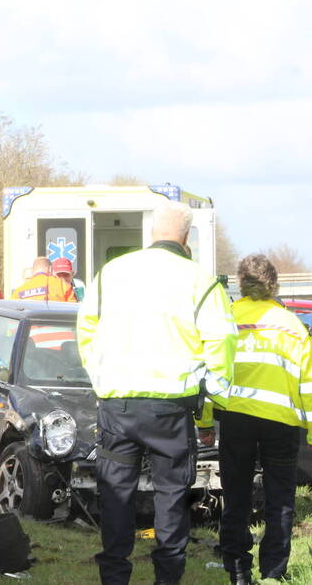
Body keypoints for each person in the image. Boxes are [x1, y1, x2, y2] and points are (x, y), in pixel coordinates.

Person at [76, 201, 236, 585]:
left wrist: (101, 377)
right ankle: (168, 576)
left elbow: (85, 329)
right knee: (171, 496)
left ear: (151, 234)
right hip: (170, 411)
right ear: (186, 238)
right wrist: (215, 392)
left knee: (116, 493)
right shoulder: (199, 280)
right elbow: (222, 339)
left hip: (118, 406)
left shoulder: (111, 272)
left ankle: (114, 576)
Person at [215, 254, 312, 584]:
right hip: (281, 423)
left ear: (240, 283)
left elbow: (211, 371)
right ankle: (273, 573)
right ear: (274, 284)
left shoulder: (226, 319)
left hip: (236, 418)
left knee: (236, 497)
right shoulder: (293, 325)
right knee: (280, 500)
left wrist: (202, 422)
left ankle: (238, 571)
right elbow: (308, 384)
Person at [11, 256, 75, 302]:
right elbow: (74, 312)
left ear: (33, 271)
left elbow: (12, 315)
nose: (62, 278)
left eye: (66, 275)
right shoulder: (62, 286)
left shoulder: (18, 292)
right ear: (50, 269)